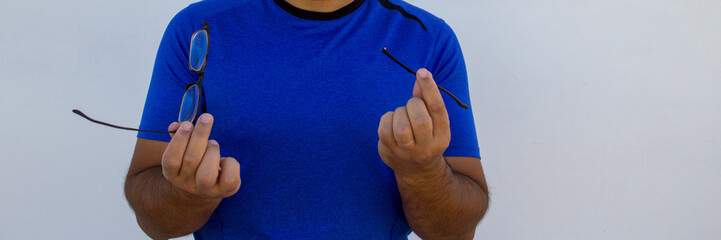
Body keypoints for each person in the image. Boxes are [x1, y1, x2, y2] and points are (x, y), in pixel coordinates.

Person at [124, 0, 489, 239]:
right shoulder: (198, 29)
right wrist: (188, 194)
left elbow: (456, 230)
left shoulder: (428, 39)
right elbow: (153, 219)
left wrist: (421, 170)